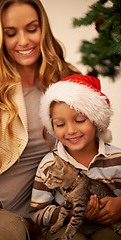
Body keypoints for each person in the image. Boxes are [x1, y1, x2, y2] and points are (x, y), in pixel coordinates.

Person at [0, 0, 81, 239]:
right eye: (11, 33)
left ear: (43, 29)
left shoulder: (68, 82)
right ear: (0, 37)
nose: (23, 41)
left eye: (31, 28)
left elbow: (93, 152)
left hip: (11, 213)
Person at [30, 74, 121, 240]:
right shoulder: (49, 164)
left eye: (79, 120)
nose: (71, 130)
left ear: (96, 120)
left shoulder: (117, 158)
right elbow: (37, 213)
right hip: (64, 228)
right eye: (60, 124)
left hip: (106, 226)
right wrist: (70, 212)